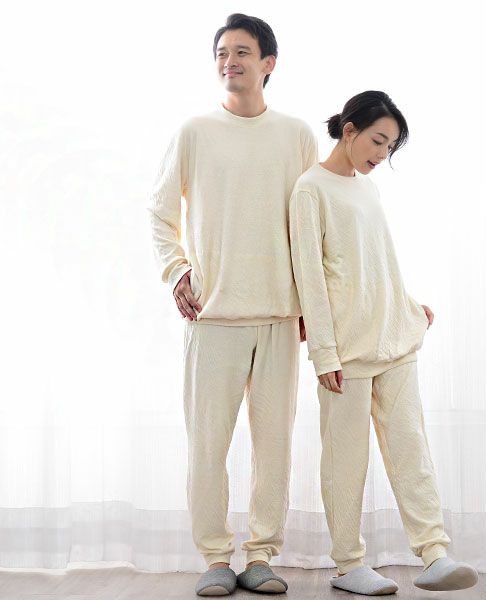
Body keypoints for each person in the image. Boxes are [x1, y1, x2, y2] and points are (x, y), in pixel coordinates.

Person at [147, 13, 318, 596]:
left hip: (278, 315)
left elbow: (312, 223)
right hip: (213, 317)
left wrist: (310, 303)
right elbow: (159, 211)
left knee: (274, 448)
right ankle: (216, 557)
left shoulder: (296, 135)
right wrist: (177, 271)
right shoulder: (194, 132)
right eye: (222, 52)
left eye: (242, 51)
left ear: (268, 63)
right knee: (207, 447)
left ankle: (261, 555)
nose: (229, 61)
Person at [288, 90, 479, 595]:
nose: (381, 154)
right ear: (349, 129)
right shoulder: (310, 190)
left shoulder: (367, 189)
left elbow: (375, 261)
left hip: (393, 337)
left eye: (390, 147)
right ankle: (349, 565)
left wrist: (408, 304)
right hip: (345, 351)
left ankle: (434, 553)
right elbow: (311, 278)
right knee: (345, 459)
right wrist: (323, 353)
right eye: (377, 141)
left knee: (410, 447)